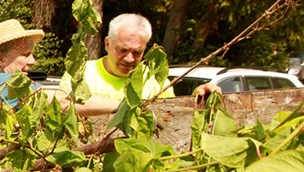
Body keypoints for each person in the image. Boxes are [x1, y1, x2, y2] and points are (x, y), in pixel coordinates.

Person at [61, 13, 217, 115]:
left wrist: (197, 100)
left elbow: (173, 115)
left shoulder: (155, 79)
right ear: (107, 44)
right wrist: (126, 107)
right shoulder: (82, 72)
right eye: (122, 50)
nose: (129, 58)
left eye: (137, 52)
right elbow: (63, 105)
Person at [0, 19, 70, 111]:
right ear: (0, 58)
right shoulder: (5, 82)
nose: (33, 61)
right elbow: (62, 101)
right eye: (25, 54)